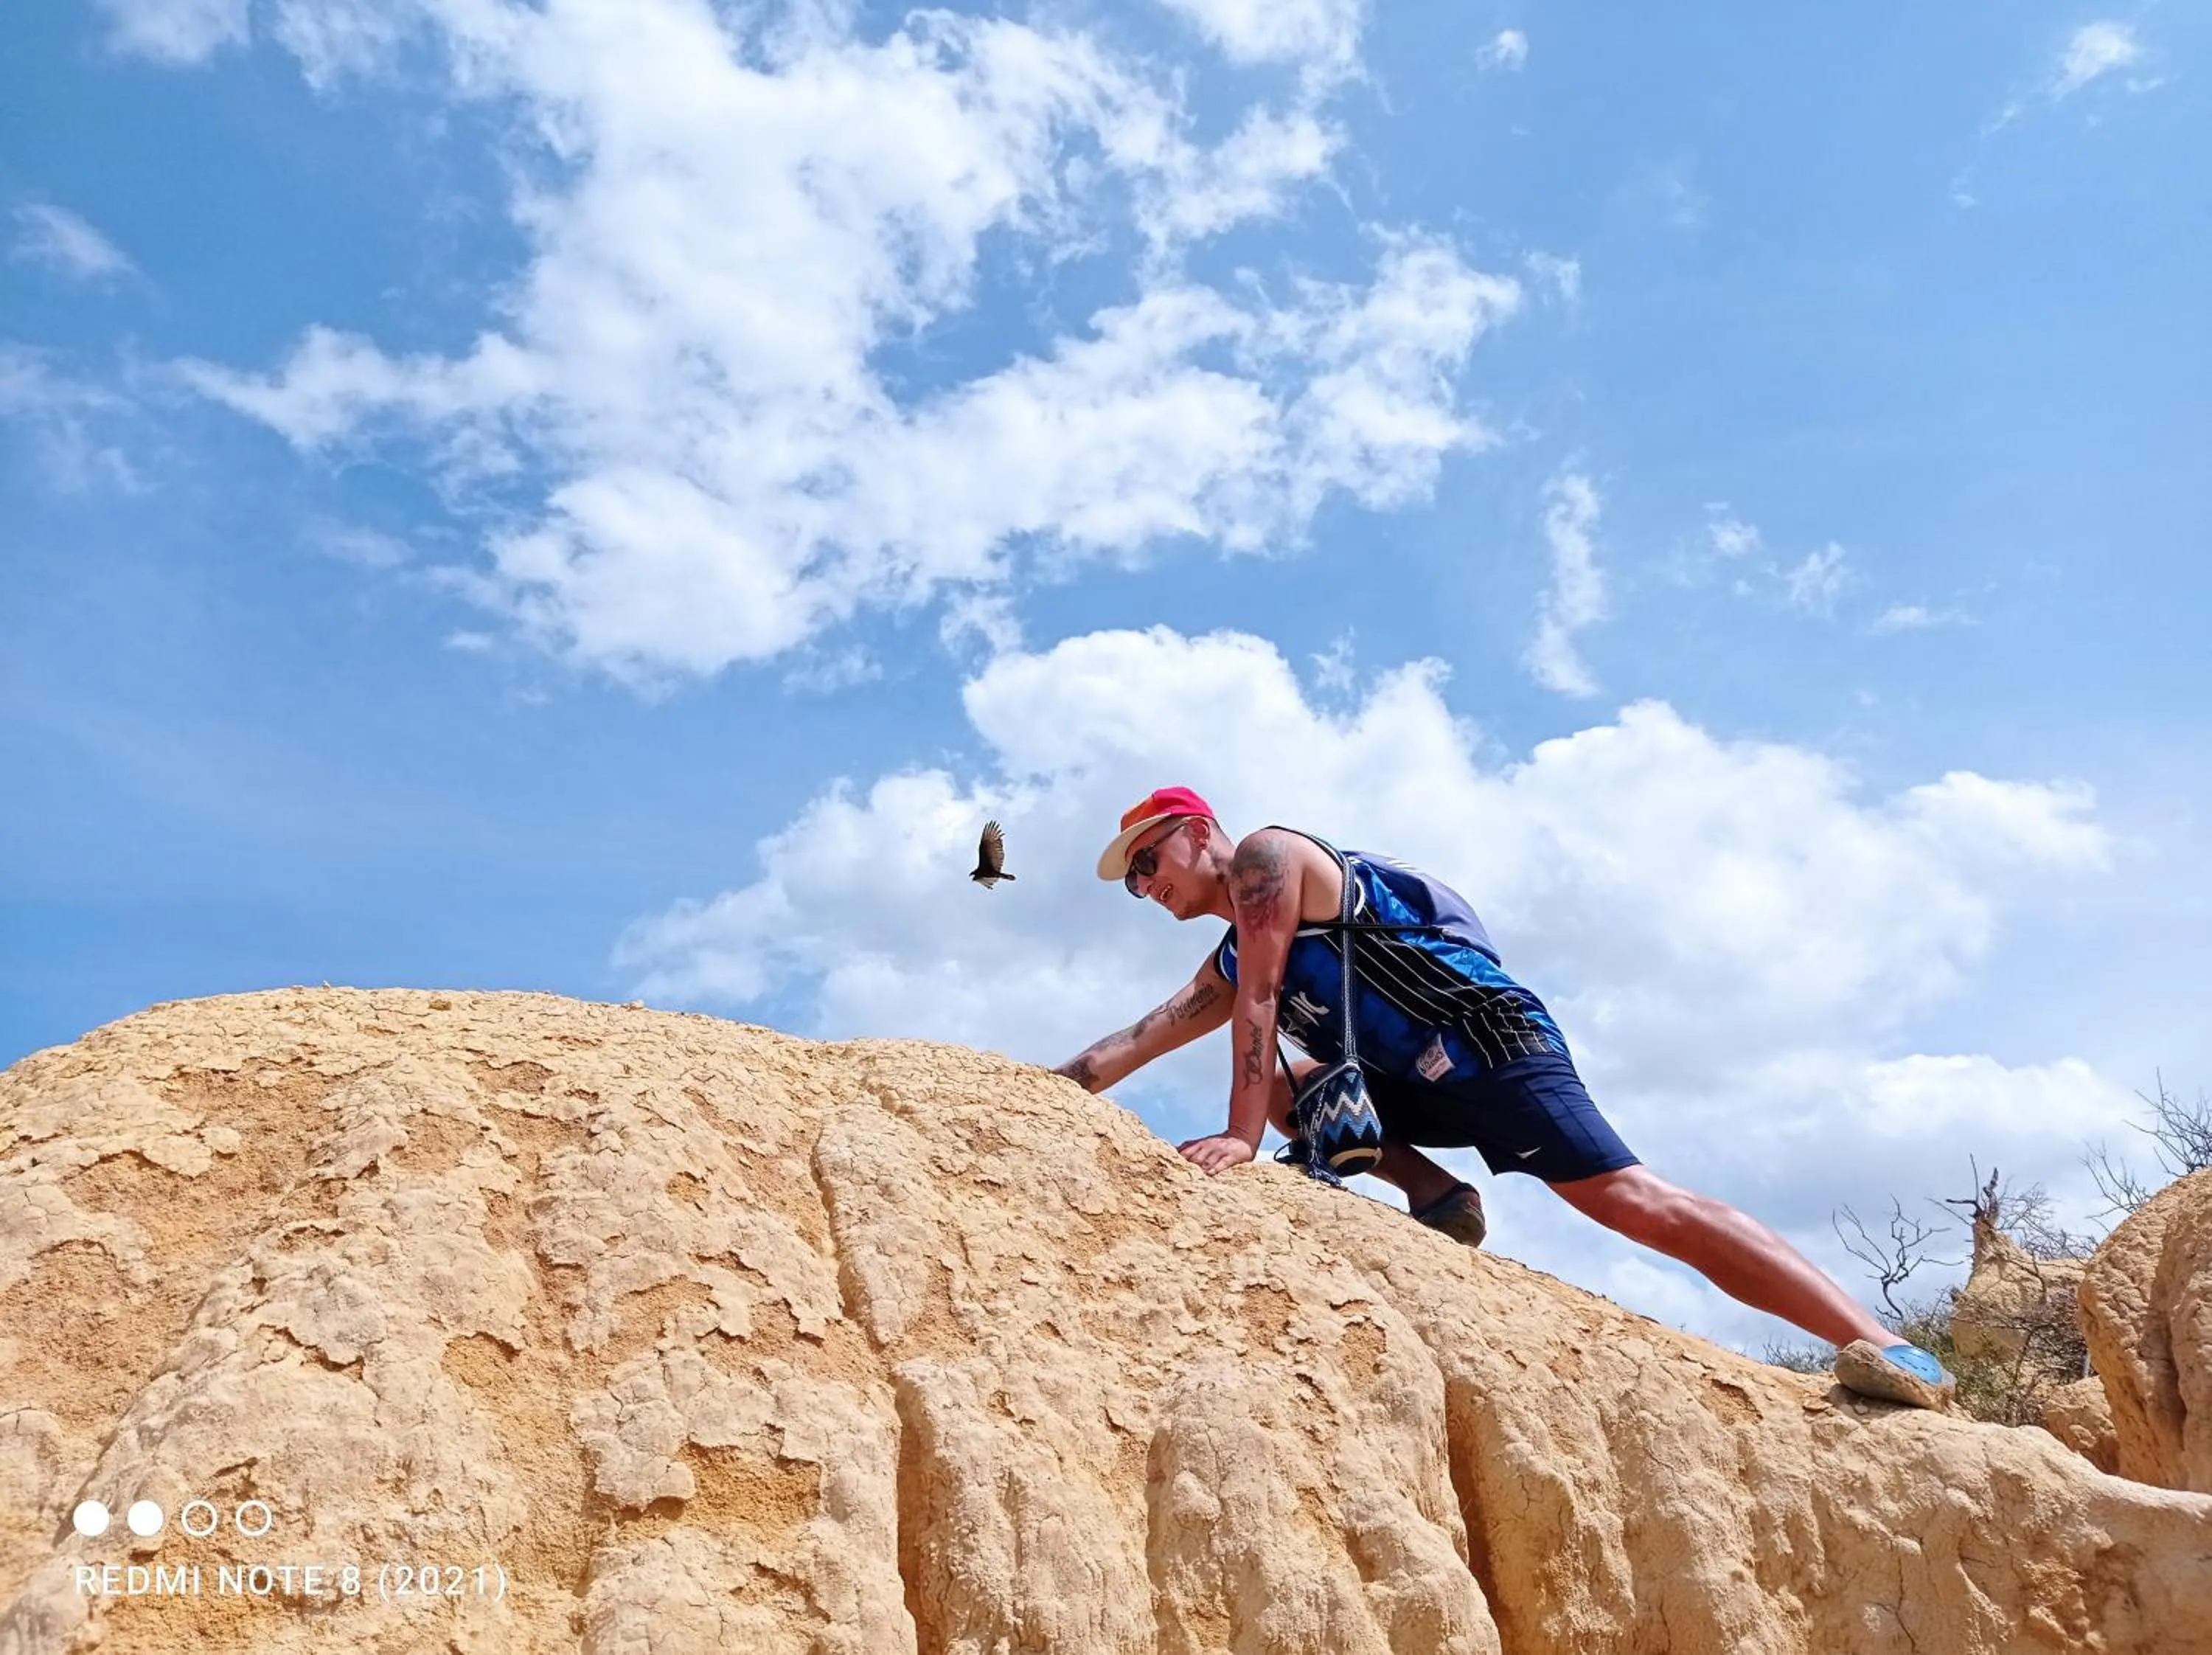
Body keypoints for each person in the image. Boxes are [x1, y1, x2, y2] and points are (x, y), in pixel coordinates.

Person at [1052, 785, 1956, 1410]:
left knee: (1636, 1203)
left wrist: (1239, 1141)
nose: (1144, 884)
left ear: (1199, 830)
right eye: (1132, 879)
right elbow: (1138, 1040)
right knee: (1294, 1083)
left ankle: (1878, 1343)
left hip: (1489, 1042)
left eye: (1148, 858)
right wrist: (1014, 1095)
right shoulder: (1229, 958)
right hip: (1417, 1083)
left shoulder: (1268, 858)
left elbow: (1258, 999)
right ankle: (1439, 1197)